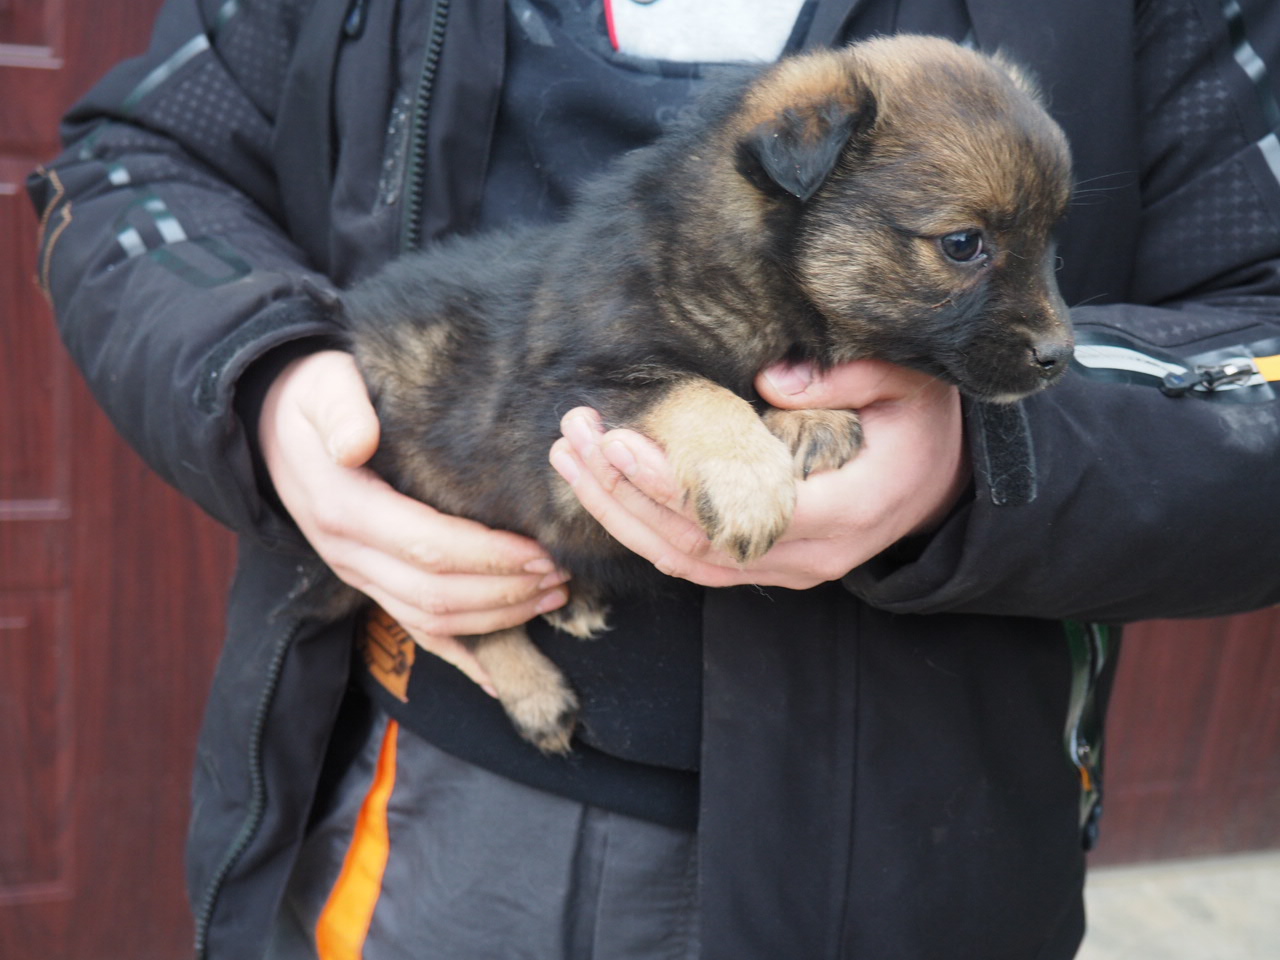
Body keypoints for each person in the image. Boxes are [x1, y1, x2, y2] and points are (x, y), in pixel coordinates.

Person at [28, 1, 1280, 957]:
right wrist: (274, 383)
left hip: (912, 857)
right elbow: (140, 160)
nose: (1040, 319)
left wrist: (989, 455)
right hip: (424, 799)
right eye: (961, 248)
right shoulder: (784, 150)